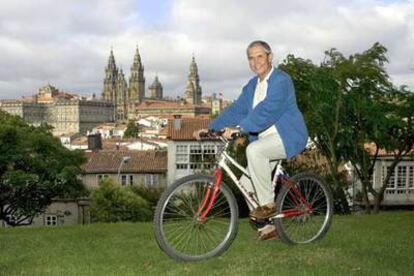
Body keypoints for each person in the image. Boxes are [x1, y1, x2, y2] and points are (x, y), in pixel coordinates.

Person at [200, 40, 308, 240]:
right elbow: (237, 109)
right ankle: (268, 228)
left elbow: (268, 110)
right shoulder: (252, 86)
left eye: (260, 56)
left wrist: (240, 129)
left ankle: (268, 205)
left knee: (255, 150)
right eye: (251, 57)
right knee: (246, 184)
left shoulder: (281, 81)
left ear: (270, 57)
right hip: (265, 140)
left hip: (288, 137)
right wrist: (211, 128)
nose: (256, 61)